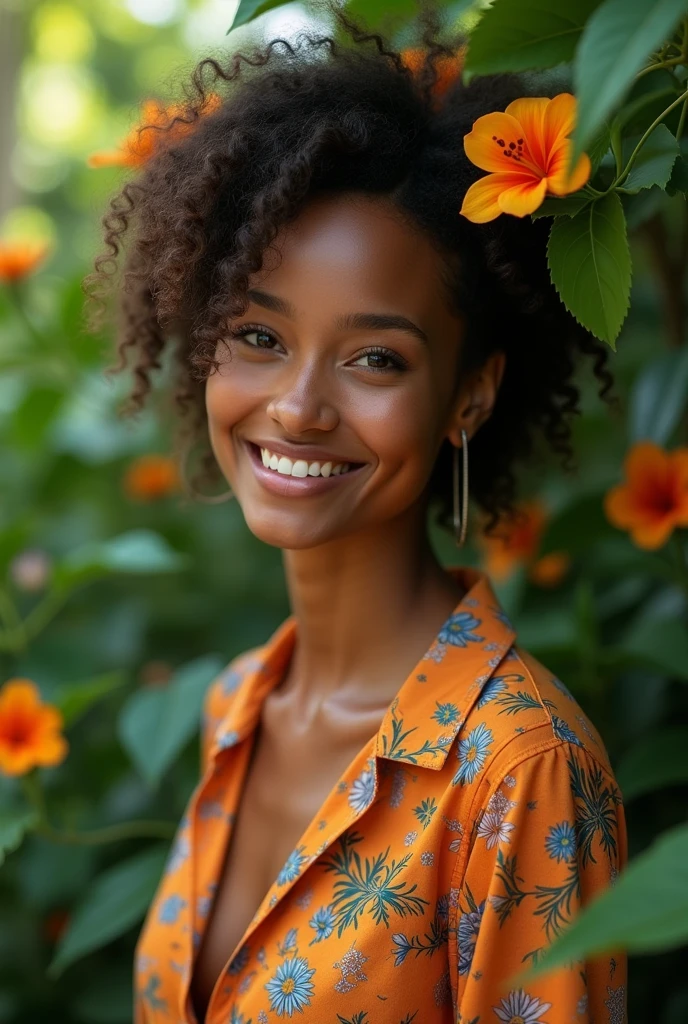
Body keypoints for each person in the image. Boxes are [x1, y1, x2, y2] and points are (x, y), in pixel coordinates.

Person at [85, 3, 628, 1022]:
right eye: (256, 335)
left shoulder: (521, 770)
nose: (296, 405)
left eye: (375, 357)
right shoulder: (238, 708)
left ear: (470, 392)